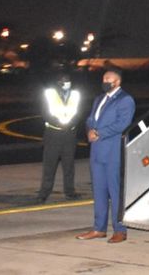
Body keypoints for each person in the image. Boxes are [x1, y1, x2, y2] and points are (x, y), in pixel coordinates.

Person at [76, 69, 135, 244]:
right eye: (103, 78)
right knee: (99, 190)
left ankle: (120, 229)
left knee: (115, 191)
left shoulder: (125, 99)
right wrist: (89, 131)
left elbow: (122, 124)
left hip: (113, 152)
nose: (104, 81)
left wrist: (99, 133)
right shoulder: (99, 99)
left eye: (108, 79)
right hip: (96, 151)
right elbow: (90, 119)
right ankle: (98, 228)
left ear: (117, 82)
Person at [36, 73, 81, 203]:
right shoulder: (49, 94)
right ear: (58, 83)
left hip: (70, 135)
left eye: (68, 80)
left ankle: (70, 192)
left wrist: (71, 124)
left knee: (69, 165)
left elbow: (79, 111)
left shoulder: (75, 94)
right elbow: (45, 112)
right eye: (64, 81)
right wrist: (58, 123)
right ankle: (44, 193)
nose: (67, 83)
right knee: (49, 165)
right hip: (53, 134)